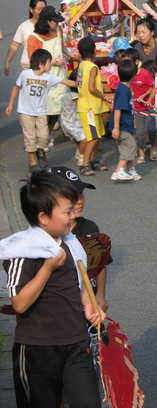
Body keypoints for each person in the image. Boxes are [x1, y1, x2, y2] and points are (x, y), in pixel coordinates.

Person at [0, 170, 104, 408]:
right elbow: (19, 303)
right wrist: (47, 268)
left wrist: (89, 306)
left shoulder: (70, 243)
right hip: (38, 349)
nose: (71, 218)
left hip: (76, 343)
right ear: (44, 217)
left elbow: (78, 287)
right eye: (67, 212)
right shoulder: (23, 250)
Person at [48, 165, 111, 312]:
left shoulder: (89, 228)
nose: (80, 200)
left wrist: (100, 295)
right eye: (72, 196)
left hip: (91, 303)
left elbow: (101, 264)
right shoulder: (45, 236)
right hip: (61, 308)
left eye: (81, 194)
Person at [5, 49, 75, 172]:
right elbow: (16, 87)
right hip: (26, 112)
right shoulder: (25, 74)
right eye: (49, 62)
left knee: (44, 137)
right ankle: (32, 162)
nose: (50, 65)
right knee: (30, 137)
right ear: (41, 63)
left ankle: (41, 151)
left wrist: (80, 83)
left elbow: (65, 82)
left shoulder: (49, 77)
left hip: (41, 112)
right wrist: (10, 105)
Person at [26, 6, 68, 129]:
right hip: (44, 80)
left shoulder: (58, 30)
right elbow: (33, 62)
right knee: (44, 113)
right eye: (55, 21)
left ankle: (46, 137)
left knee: (57, 109)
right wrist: (53, 62)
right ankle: (42, 139)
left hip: (60, 78)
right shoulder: (34, 38)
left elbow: (63, 48)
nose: (58, 24)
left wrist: (72, 55)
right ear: (48, 21)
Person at [76, 37, 110, 176]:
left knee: (98, 134)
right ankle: (85, 164)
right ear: (94, 52)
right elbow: (91, 88)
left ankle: (93, 160)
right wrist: (103, 96)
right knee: (93, 137)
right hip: (90, 107)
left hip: (89, 106)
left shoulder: (81, 65)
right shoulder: (92, 67)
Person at [109, 60, 141, 182]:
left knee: (129, 146)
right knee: (130, 146)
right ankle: (118, 171)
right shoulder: (123, 90)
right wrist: (116, 127)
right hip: (122, 126)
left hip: (127, 124)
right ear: (133, 75)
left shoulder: (124, 88)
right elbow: (118, 109)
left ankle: (131, 169)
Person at [3, 0, 46, 76]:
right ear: (31, 10)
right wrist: (7, 62)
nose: (42, 12)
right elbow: (14, 45)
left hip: (46, 69)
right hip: (28, 68)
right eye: (39, 9)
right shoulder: (24, 26)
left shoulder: (51, 26)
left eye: (44, 9)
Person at [130, 52, 157, 163]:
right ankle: (141, 153)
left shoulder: (145, 73)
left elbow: (153, 87)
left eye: (129, 61)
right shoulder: (129, 75)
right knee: (139, 132)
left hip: (149, 107)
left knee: (151, 129)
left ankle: (154, 147)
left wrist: (147, 97)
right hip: (137, 108)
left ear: (136, 62)